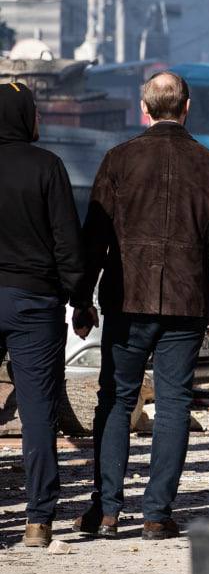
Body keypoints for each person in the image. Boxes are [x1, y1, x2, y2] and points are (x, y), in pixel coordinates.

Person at [73, 72, 209, 540]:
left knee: (116, 399)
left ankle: (106, 512)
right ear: (187, 108)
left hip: (127, 300)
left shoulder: (118, 161)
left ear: (143, 108)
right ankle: (155, 514)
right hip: (187, 304)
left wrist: (82, 300)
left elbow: (95, 241)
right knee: (172, 405)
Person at [0, 83, 84, 548]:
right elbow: (66, 241)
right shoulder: (47, 167)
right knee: (37, 412)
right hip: (35, 303)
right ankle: (38, 520)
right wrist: (79, 298)